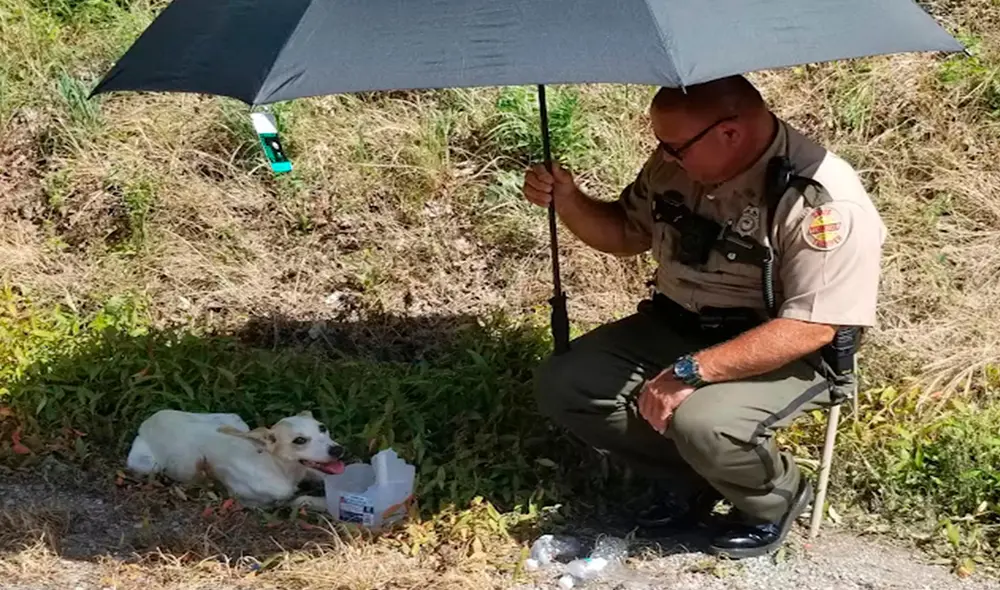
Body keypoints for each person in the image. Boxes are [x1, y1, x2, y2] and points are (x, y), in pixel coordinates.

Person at [523, 75, 886, 559]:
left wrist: (690, 372)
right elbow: (624, 234)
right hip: (676, 324)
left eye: (674, 147)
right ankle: (692, 479)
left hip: (782, 347)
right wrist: (568, 199)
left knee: (704, 422)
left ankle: (772, 500)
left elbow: (815, 324)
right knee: (568, 382)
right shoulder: (680, 162)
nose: (664, 156)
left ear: (730, 133)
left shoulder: (820, 198)